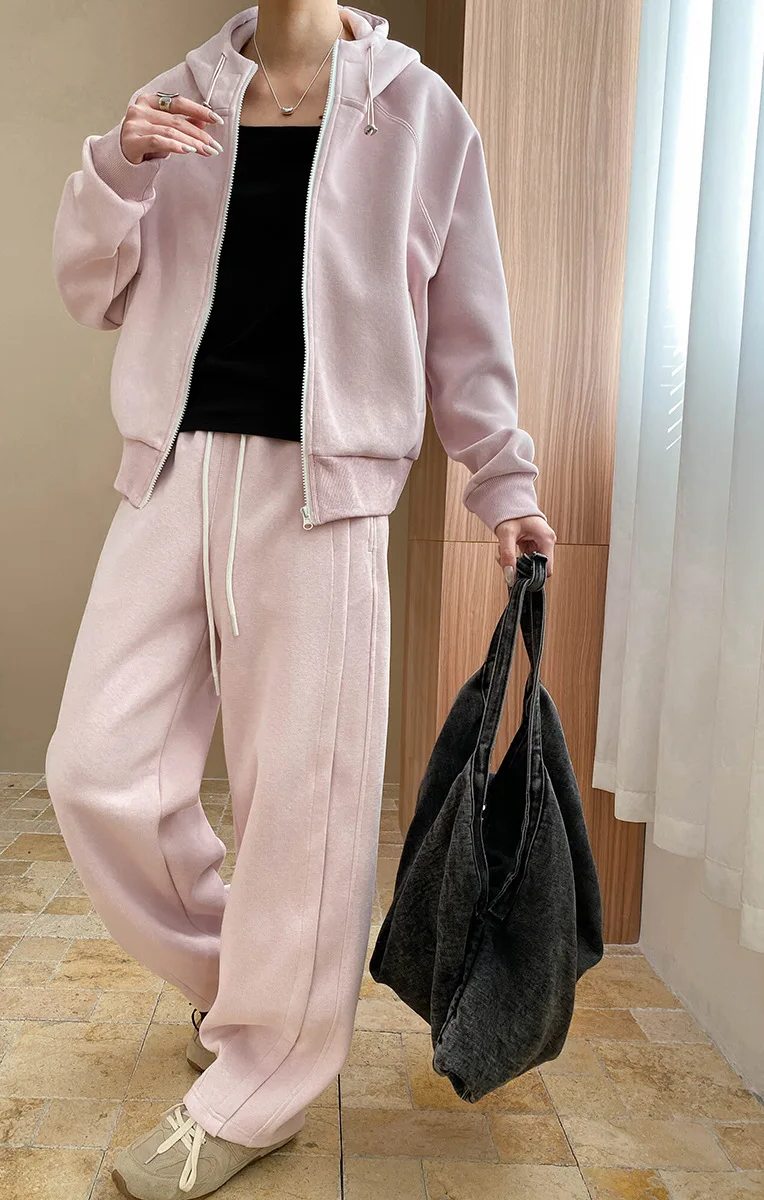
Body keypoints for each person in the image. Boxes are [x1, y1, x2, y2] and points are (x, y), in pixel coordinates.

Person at [46, 3, 557, 1197]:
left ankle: (266, 1079)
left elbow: (465, 321)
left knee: (304, 803)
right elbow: (91, 293)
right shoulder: (180, 94)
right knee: (94, 766)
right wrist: (117, 166)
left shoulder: (420, 110)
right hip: (171, 473)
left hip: (327, 496)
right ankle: (248, 983)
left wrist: (504, 481)